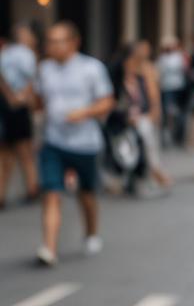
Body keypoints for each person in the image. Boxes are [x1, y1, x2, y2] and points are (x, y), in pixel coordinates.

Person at [31, 20, 115, 265]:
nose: (53, 47)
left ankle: (91, 233)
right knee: (51, 193)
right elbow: (38, 101)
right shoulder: (44, 69)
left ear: (74, 43)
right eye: (50, 42)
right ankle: (49, 247)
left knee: (86, 194)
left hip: (85, 143)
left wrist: (84, 112)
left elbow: (107, 100)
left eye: (59, 41)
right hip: (53, 141)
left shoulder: (91, 68)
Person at [0, 20, 41, 208]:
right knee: (25, 150)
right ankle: (32, 188)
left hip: (4, 105)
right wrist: (21, 98)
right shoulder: (27, 54)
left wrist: (8, 96)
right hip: (19, 107)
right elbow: (31, 80)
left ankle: (1, 193)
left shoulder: (5, 52)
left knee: (5, 152)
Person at [122, 39, 173, 191]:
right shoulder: (127, 67)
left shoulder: (149, 68)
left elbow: (153, 93)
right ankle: (144, 173)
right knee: (133, 146)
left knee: (150, 143)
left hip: (145, 114)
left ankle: (154, 170)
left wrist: (155, 111)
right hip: (130, 115)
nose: (145, 52)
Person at [157, 37, 190, 147]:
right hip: (167, 88)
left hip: (178, 87)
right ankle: (168, 135)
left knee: (176, 113)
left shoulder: (180, 57)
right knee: (168, 112)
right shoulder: (162, 58)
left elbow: (186, 69)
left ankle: (178, 135)